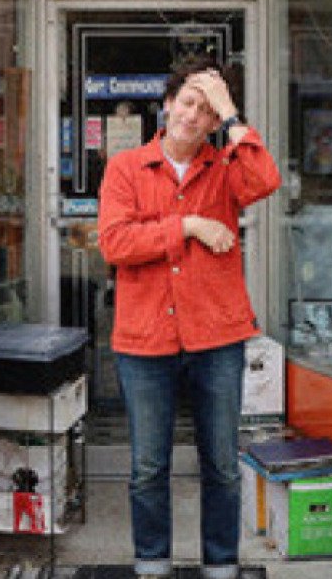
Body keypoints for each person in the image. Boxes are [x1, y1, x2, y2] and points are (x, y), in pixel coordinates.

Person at [98, 58, 280, 579]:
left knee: (222, 464)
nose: (193, 115)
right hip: (144, 339)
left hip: (218, 336)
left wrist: (232, 113)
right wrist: (190, 225)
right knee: (148, 467)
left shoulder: (226, 168)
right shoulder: (125, 167)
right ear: (168, 104)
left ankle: (222, 567)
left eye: (206, 109)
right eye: (188, 101)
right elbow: (115, 242)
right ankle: (151, 564)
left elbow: (265, 180)